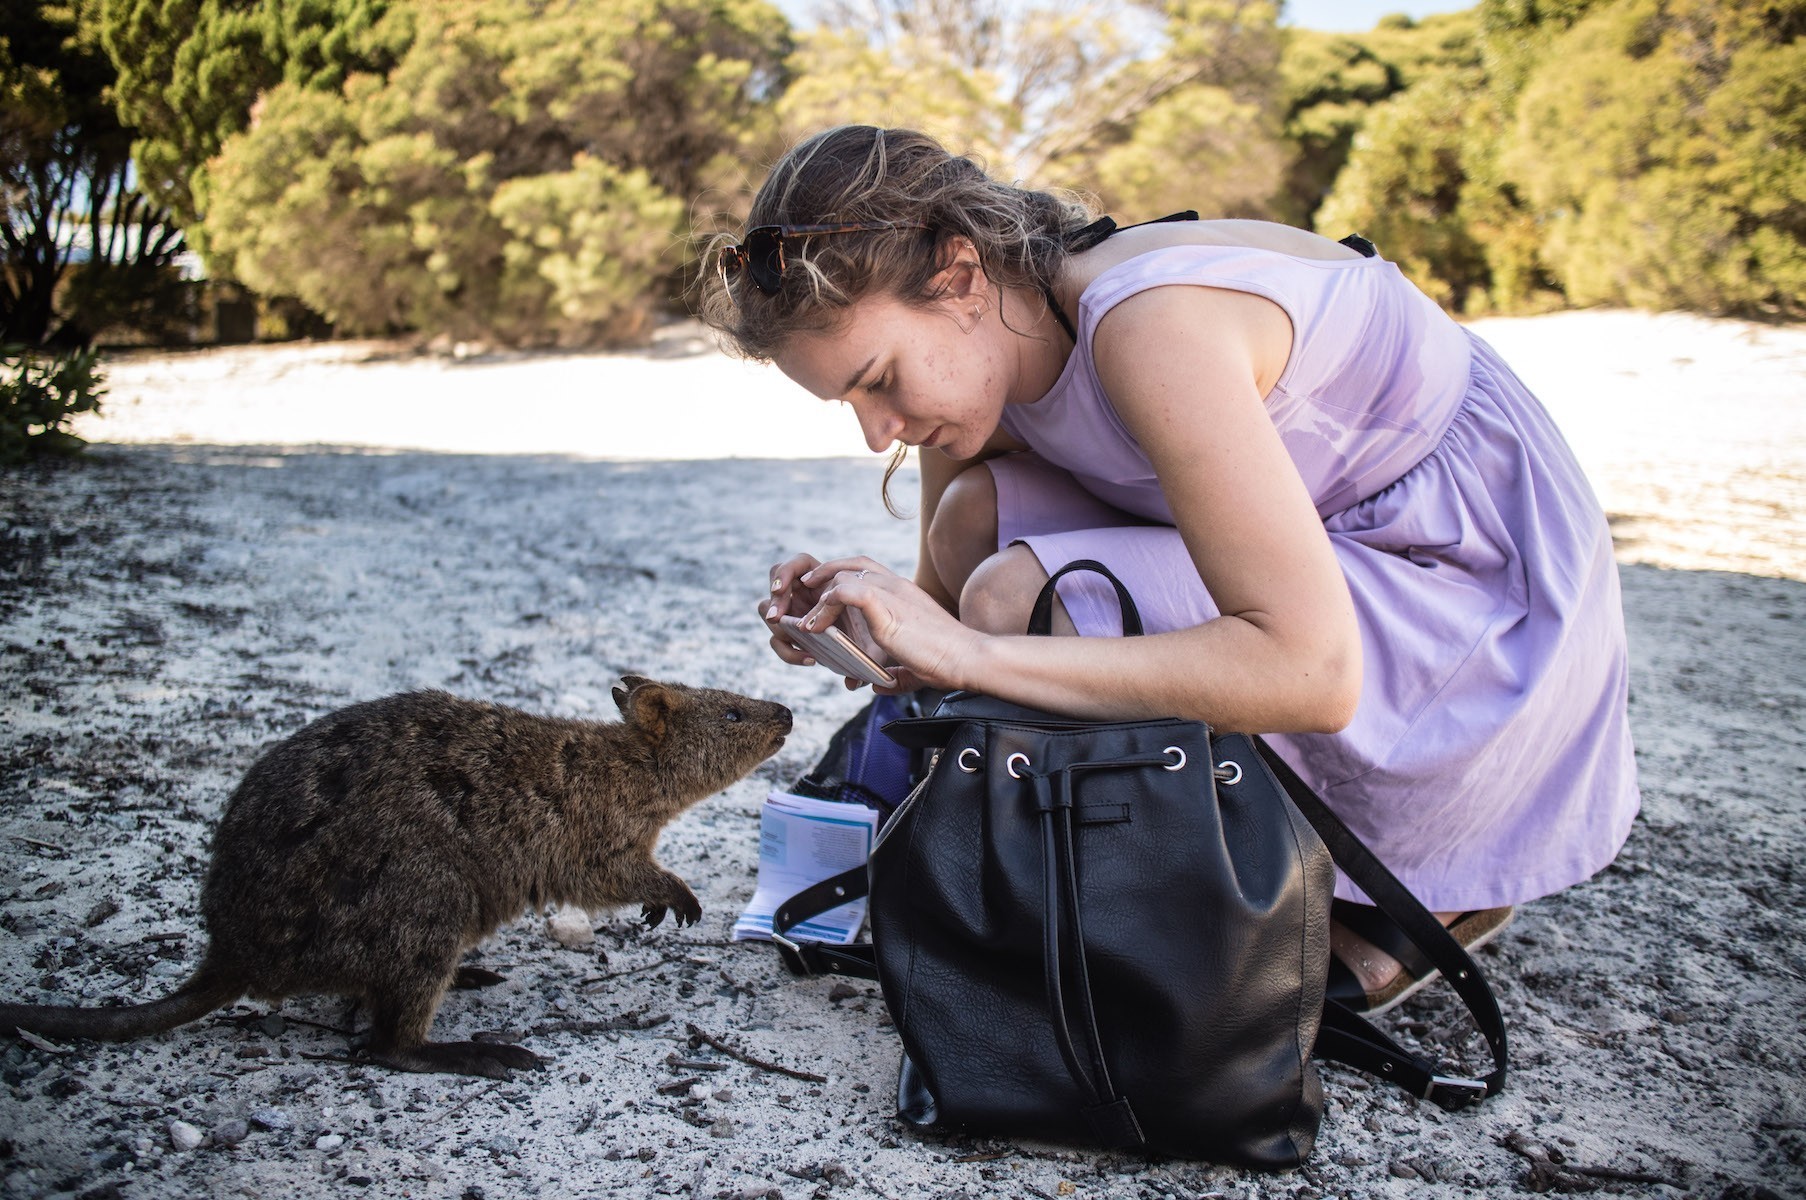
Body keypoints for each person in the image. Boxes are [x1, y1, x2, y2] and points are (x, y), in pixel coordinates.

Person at [698, 125, 1639, 1013]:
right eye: (848, 404)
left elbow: (1310, 673)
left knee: (1015, 601)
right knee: (970, 524)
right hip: (1316, 548)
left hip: (1457, 583)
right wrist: (863, 625)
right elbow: (939, 625)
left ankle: (1425, 881)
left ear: (959, 274)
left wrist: (970, 652)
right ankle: (1168, 847)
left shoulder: (1150, 324)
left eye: (878, 379)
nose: (876, 434)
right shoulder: (981, 369)